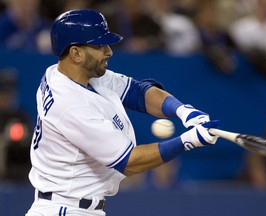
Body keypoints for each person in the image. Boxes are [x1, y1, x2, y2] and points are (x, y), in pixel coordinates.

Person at [25, 9, 220, 216]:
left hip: (72, 206)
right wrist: (187, 141)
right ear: (76, 53)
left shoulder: (68, 73)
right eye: (100, 45)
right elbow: (130, 162)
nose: (109, 51)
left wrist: (182, 110)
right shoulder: (70, 105)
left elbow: (137, 92)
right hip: (65, 208)